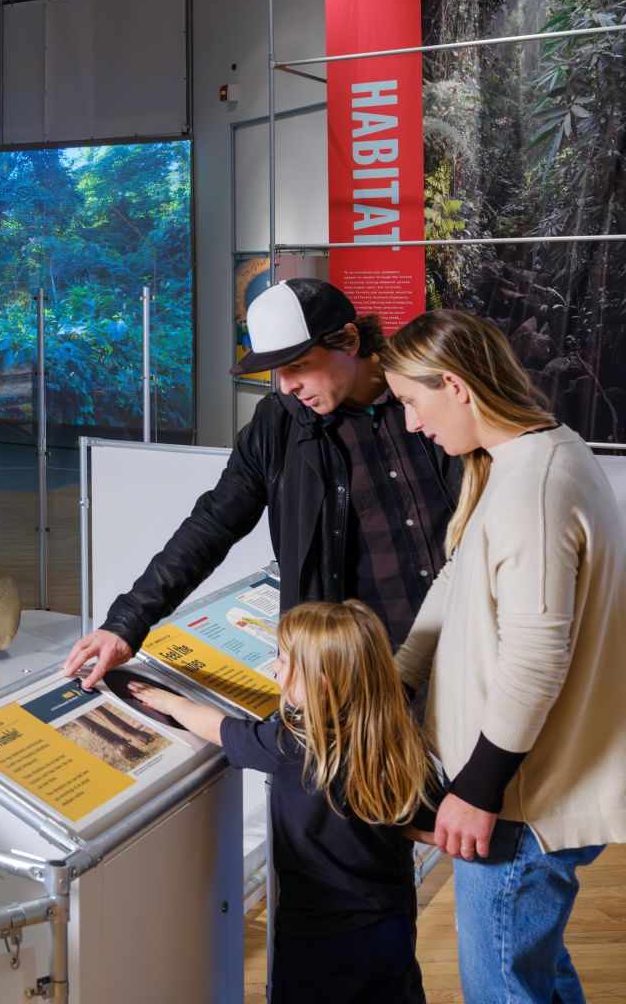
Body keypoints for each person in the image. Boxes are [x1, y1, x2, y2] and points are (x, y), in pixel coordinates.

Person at [380, 311, 625, 1003]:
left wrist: (478, 788)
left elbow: (537, 656)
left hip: (519, 800)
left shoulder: (533, 491)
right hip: (520, 790)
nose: (411, 424)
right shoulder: (525, 456)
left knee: (503, 989)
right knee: (534, 973)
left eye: (411, 402)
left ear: (454, 385)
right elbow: (455, 580)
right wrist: (399, 680)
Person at [65, 278, 458, 689]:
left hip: (461, 650)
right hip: (353, 669)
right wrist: (127, 622)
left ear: (349, 340)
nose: (286, 386)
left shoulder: (431, 395)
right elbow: (212, 525)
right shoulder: (278, 426)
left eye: (298, 366)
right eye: (278, 371)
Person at [130, 600, 434, 1004]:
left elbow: (220, 728)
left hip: (317, 940)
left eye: (283, 659)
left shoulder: (293, 745)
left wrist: (167, 701)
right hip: (391, 925)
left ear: (320, 682)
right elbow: (425, 824)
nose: (274, 667)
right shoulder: (396, 742)